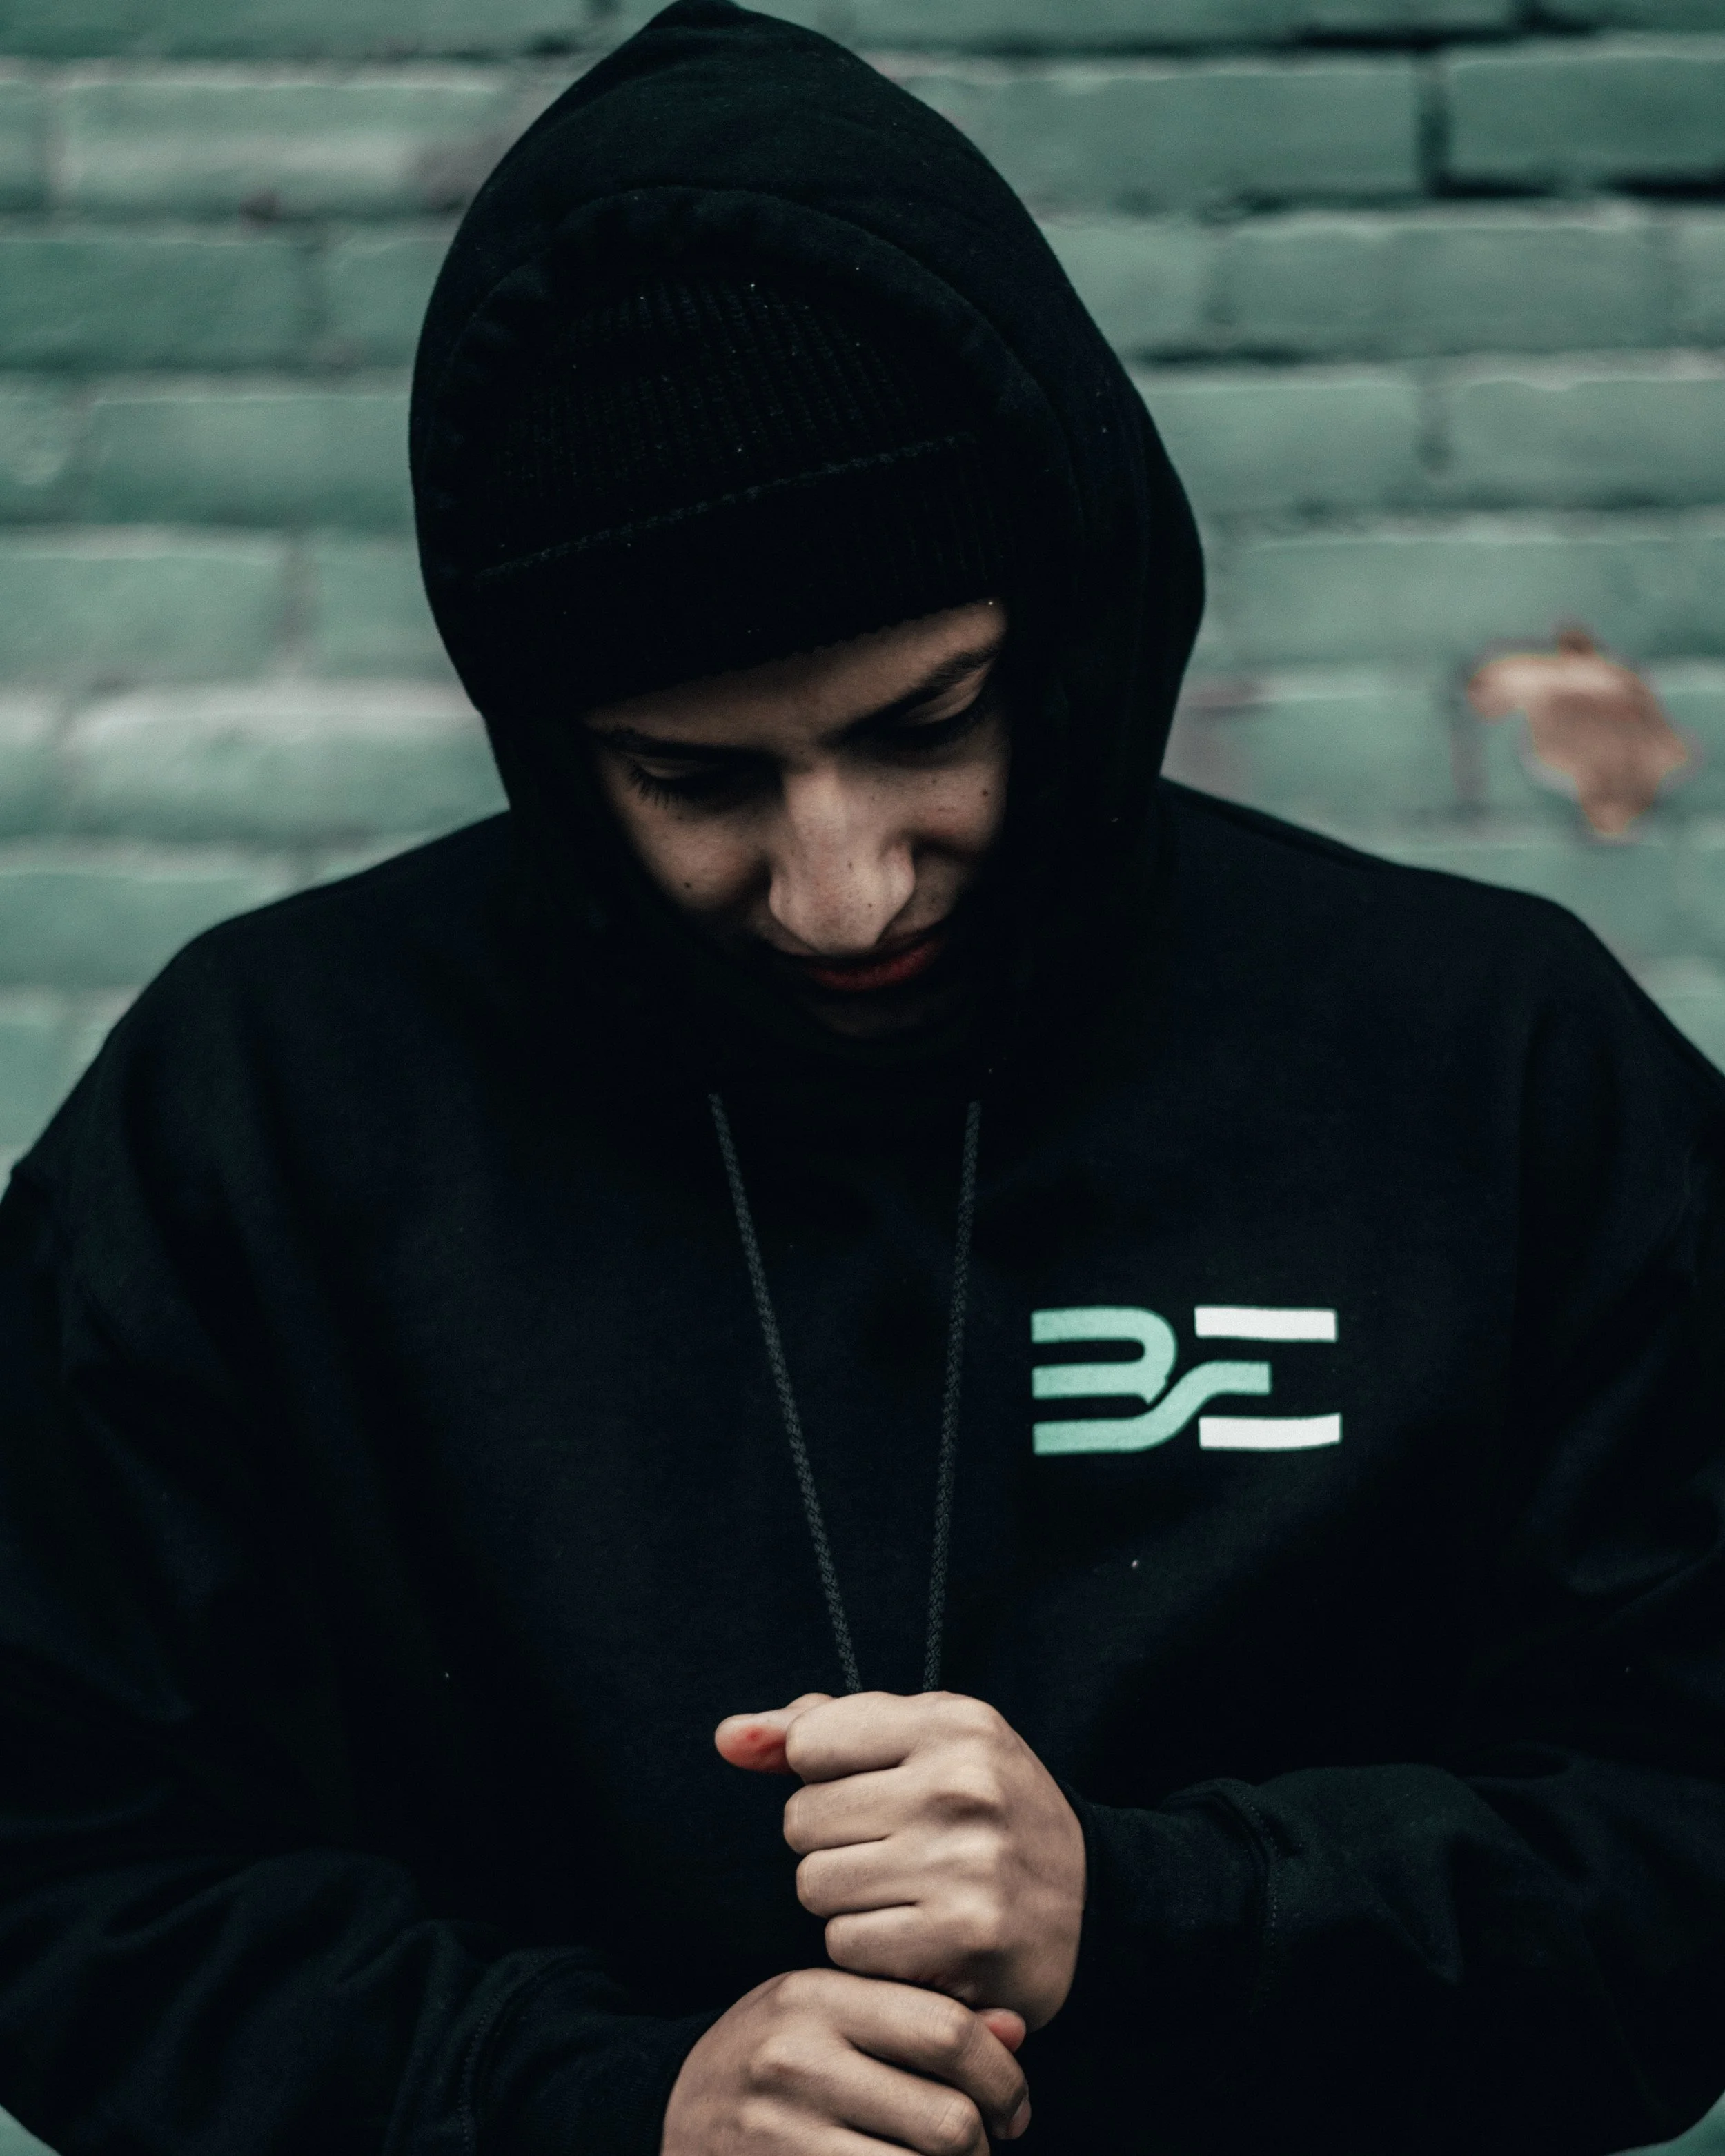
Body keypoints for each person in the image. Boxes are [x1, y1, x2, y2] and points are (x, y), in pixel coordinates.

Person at [1, 3, 1722, 2153]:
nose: (841, 890)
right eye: (690, 776)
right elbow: (63, 1871)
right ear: (553, 743)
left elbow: (1686, 1830)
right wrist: (593, 2107)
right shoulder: (259, 1112)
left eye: (925, 722)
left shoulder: (1489, 1064)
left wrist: (1166, 1906)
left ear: (1071, 626)